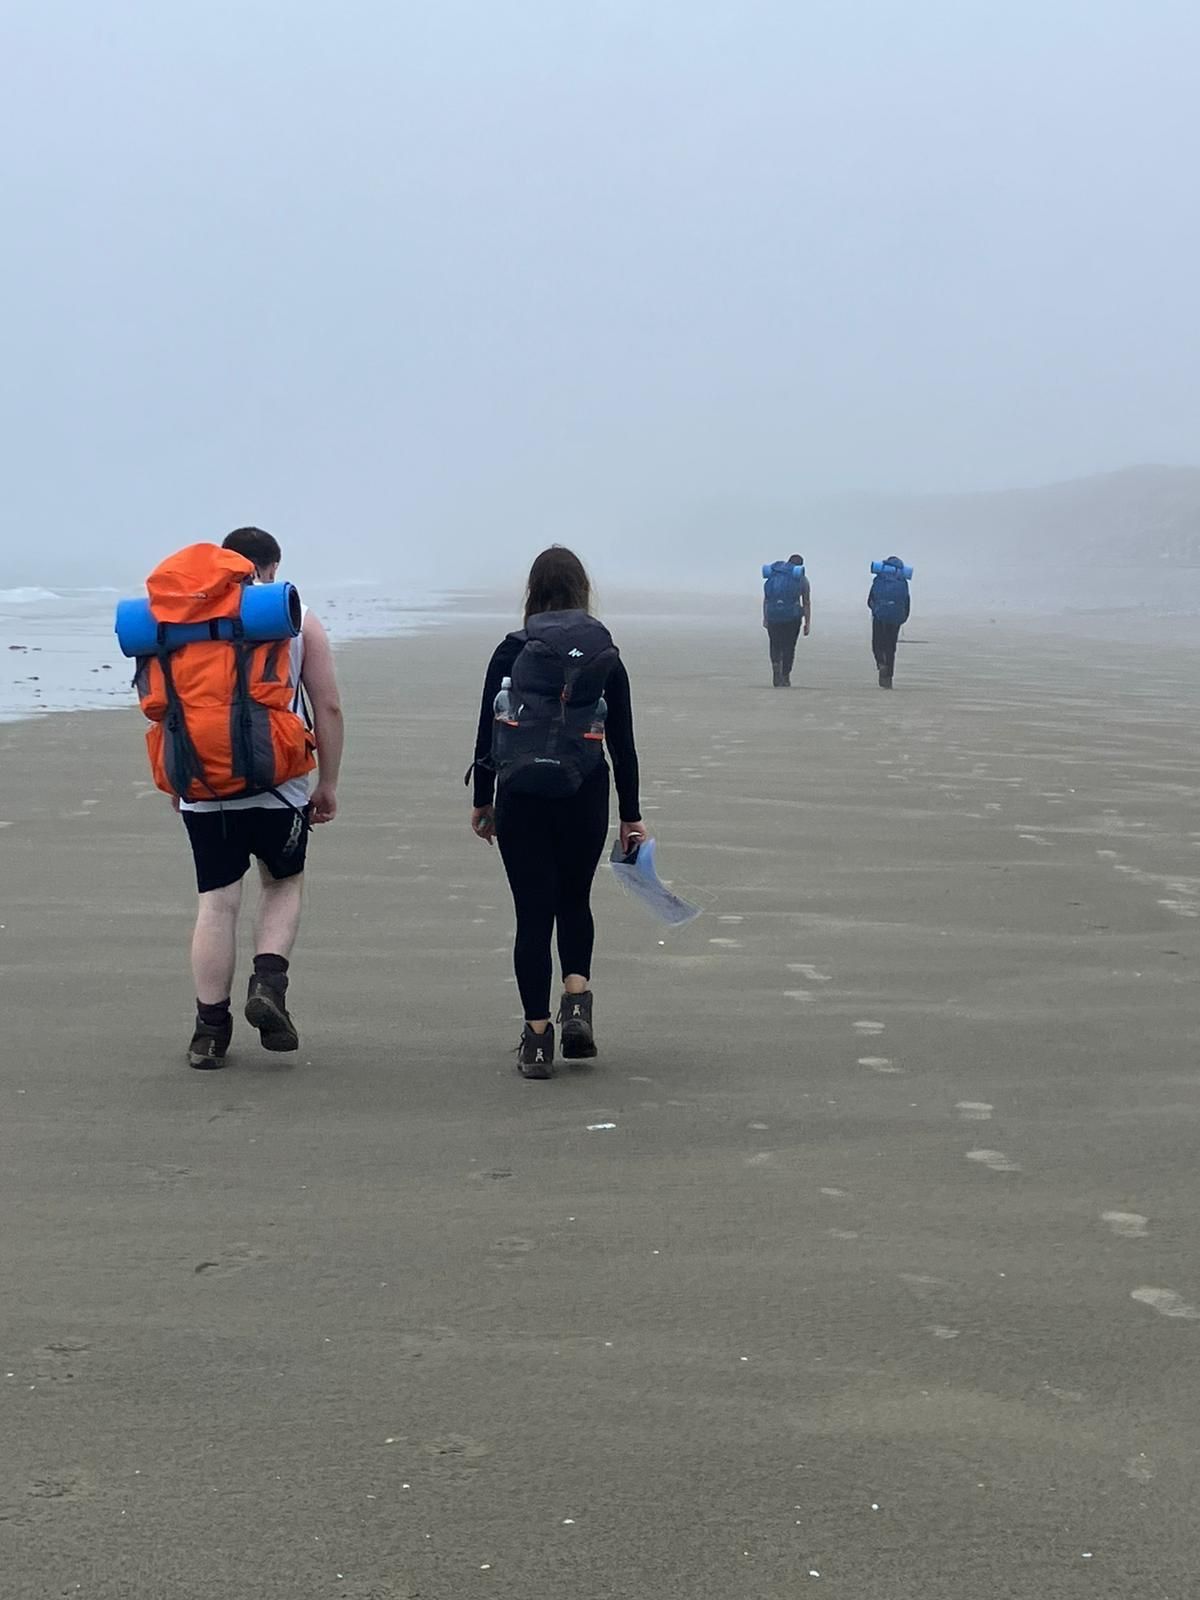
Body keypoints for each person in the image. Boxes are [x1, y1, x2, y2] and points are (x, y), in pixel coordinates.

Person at [469, 547, 645, 1078]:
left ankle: (538, 1038)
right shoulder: (603, 652)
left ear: (533, 592)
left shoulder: (511, 651)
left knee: (532, 913)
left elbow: (487, 732)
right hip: (584, 792)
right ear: (581, 591)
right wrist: (631, 815)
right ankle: (577, 1001)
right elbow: (623, 742)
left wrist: (483, 798)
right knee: (574, 899)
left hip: (520, 795)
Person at [180, 528, 344, 1067]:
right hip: (281, 786)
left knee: (217, 902)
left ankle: (209, 1033)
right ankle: (268, 984)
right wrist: (328, 783)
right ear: (271, 568)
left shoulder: (186, 620)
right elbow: (328, 708)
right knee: (281, 884)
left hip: (204, 787)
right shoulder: (295, 618)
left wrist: (181, 784)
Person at [762, 554, 811, 687]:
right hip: (792, 618)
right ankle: (785, 675)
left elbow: (766, 599)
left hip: (773, 616)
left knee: (775, 644)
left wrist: (765, 617)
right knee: (789, 646)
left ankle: (776, 669)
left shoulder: (774, 576)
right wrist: (807, 623)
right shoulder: (801, 579)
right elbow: (806, 602)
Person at [867, 555, 912, 689]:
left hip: (879, 615)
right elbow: (906, 602)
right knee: (891, 647)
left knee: (877, 644)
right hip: (896, 617)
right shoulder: (903, 581)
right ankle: (888, 678)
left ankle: (881, 663)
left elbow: (870, 599)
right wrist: (903, 618)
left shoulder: (879, 579)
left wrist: (876, 610)